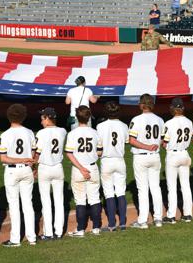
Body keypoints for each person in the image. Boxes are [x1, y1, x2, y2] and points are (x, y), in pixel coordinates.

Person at [0, 104, 36, 247]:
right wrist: (29, 162)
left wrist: (22, 160)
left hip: (12, 171)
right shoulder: (29, 132)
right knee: (28, 203)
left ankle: (15, 239)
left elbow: (3, 158)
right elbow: (33, 152)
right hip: (27, 170)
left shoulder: (5, 134)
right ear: (23, 116)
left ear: (9, 117)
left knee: (14, 205)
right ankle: (31, 237)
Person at [65, 105, 103, 237]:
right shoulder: (95, 132)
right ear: (89, 117)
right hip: (92, 168)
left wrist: (81, 168)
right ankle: (96, 228)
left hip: (78, 169)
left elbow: (69, 154)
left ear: (77, 117)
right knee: (95, 198)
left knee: (80, 200)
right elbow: (99, 152)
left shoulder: (72, 134)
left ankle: (80, 230)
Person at [129, 94, 165, 229]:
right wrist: (154, 145)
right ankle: (158, 219)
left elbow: (131, 140)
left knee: (142, 189)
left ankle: (143, 221)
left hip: (141, 157)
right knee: (156, 188)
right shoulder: (160, 120)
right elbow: (162, 140)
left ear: (141, 104)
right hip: (155, 156)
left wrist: (146, 146)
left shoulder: (136, 120)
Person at [34, 107, 67, 240]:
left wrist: (33, 168)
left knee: (46, 202)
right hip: (58, 168)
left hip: (45, 169)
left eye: (42, 118)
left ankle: (48, 233)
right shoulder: (63, 131)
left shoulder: (41, 133)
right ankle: (59, 232)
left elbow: (37, 153)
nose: (41, 121)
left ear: (48, 118)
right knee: (59, 201)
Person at [97, 101, 129, 230]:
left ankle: (111, 224)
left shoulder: (100, 126)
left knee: (109, 193)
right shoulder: (124, 126)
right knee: (120, 192)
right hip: (120, 161)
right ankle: (122, 223)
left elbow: (99, 147)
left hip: (106, 161)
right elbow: (126, 142)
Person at [162, 97, 193, 223]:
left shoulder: (168, 123)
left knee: (172, 187)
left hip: (173, 155)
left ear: (172, 109)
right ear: (182, 109)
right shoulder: (190, 122)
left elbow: (164, 142)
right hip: (185, 153)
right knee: (186, 186)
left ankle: (171, 216)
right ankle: (188, 214)